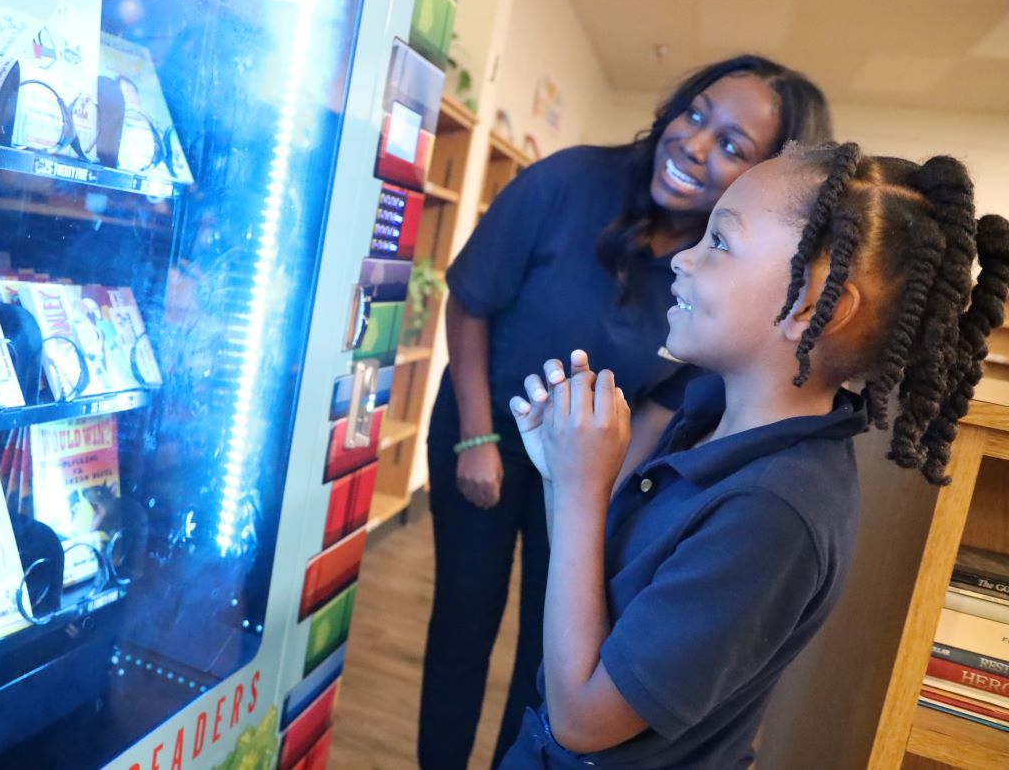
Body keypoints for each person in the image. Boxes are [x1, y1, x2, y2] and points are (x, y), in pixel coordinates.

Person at [500, 143, 1009, 768]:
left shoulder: (773, 512)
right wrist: (563, 477)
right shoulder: (710, 419)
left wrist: (581, 492)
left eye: (719, 241)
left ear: (808, 308)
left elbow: (583, 720)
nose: (684, 257)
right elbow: (602, 602)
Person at [419, 55, 831, 769]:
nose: (695, 144)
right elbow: (471, 302)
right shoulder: (568, 180)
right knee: (463, 620)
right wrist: (478, 438)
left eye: (733, 145)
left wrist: (593, 492)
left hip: (589, 462)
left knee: (548, 650)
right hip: (488, 426)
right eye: (695, 113)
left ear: (767, 181)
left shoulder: (724, 283)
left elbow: (662, 403)